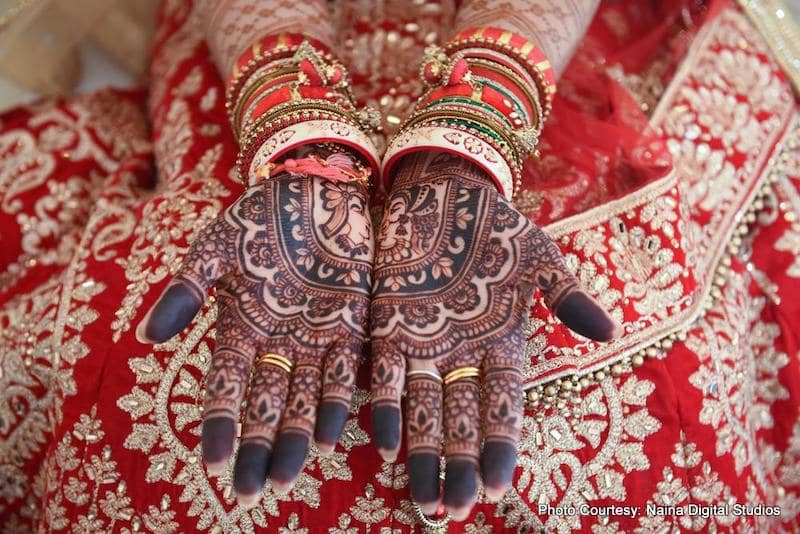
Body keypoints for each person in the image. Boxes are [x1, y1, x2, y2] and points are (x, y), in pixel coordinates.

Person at [1, 0, 799, 532]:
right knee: (158, 427)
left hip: (557, 27)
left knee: (617, 424)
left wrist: (473, 131)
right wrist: (300, 134)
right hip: (261, 31)